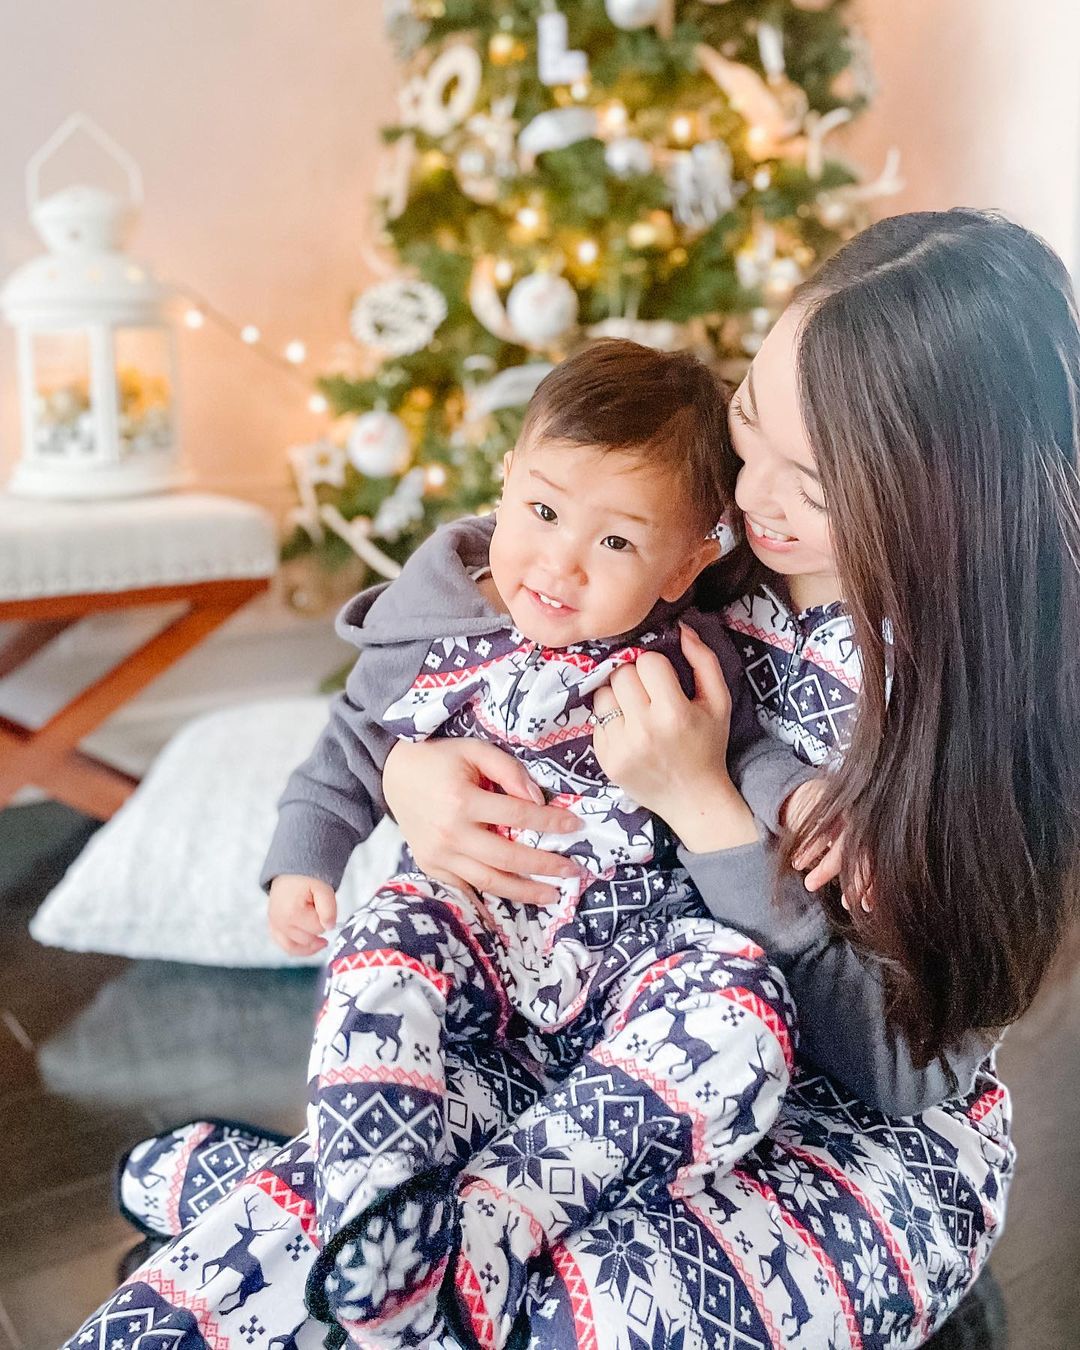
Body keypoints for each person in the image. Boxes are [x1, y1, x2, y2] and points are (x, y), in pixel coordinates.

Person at [64, 210, 1078, 1350]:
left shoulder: (979, 707)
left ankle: (284, 1203)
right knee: (384, 1168)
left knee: (578, 1303)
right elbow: (478, 634)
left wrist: (708, 814)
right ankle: (342, 1220)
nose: (752, 500)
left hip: (837, 1129)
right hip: (595, 1050)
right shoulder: (695, 550)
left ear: (943, 497)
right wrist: (408, 778)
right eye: (752, 430)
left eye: (818, 483)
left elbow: (902, 1071)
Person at [256, 338, 813, 1347]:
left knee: (738, 991)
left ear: (688, 559)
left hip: (624, 958)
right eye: (545, 512)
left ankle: (497, 1220)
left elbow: (750, 751)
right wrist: (306, 856)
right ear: (506, 482)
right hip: (474, 933)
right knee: (384, 945)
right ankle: (369, 1202)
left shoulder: (684, 655)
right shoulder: (436, 628)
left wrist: (803, 802)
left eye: (616, 544)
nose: (557, 563)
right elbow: (348, 744)